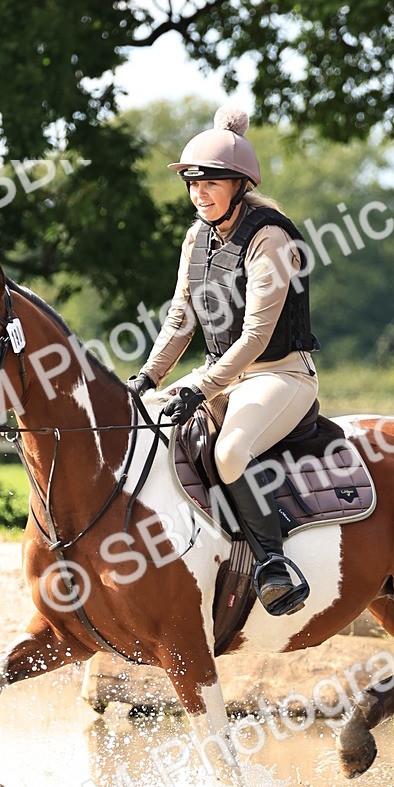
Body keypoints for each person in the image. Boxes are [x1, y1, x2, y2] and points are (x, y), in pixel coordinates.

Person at [128, 106, 320, 616]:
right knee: (138, 422)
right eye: (193, 183)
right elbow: (179, 320)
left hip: (279, 374)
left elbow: (257, 337)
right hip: (221, 375)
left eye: (211, 182)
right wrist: (147, 378)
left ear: (239, 184)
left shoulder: (270, 239)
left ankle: (275, 565)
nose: (199, 193)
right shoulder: (197, 237)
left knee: (231, 452)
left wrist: (201, 386)